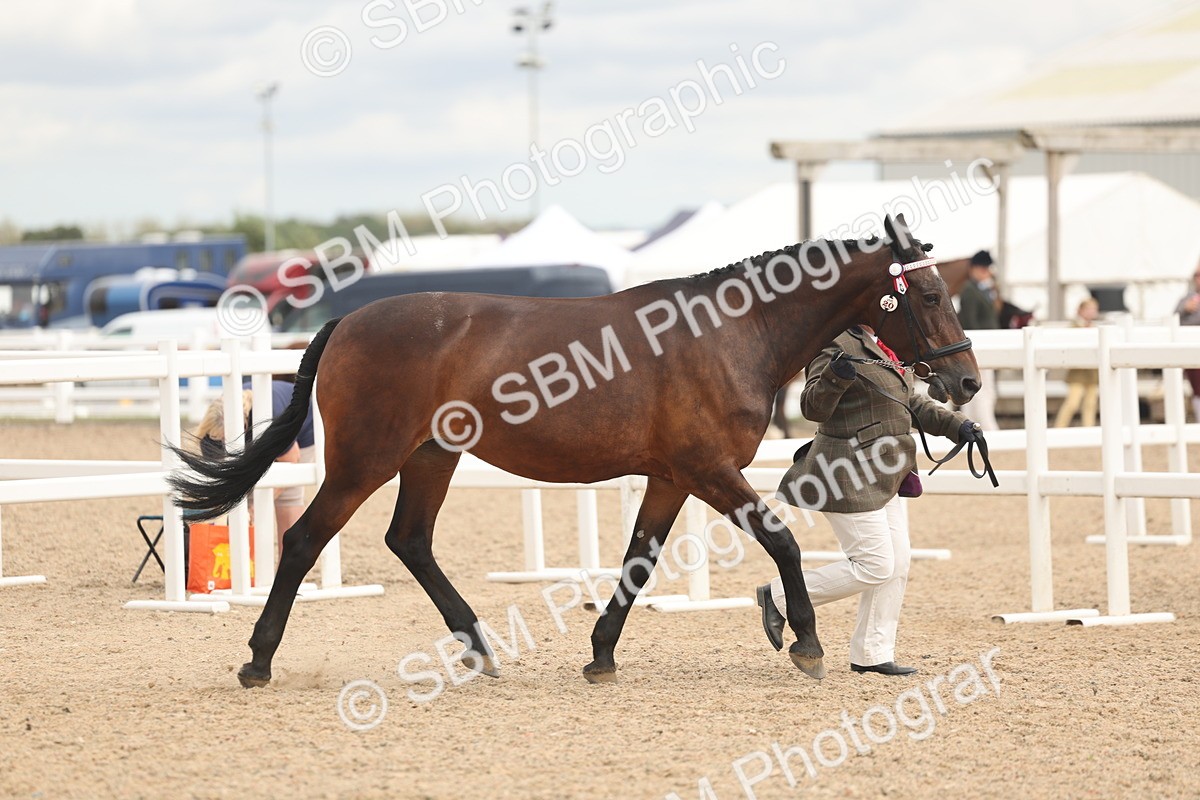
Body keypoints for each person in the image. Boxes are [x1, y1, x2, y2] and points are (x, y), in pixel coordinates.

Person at [755, 325, 984, 676]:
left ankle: (872, 653)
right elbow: (811, 407)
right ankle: (781, 597)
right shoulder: (829, 341)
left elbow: (908, 402)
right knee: (876, 564)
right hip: (845, 471)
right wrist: (835, 375)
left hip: (887, 471)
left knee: (899, 562)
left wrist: (958, 426)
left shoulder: (886, 341)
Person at [191, 382, 314, 555]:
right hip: (257, 434)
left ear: (244, 425)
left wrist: (256, 505)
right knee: (243, 503)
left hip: (301, 427)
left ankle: (286, 567)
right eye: (222, 439)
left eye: (228, 437)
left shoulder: (263, 418)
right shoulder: (210, 435)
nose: (225, 442)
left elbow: (292, 458)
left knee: (287, 497)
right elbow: (222, 481)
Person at [956, 250, 1001, 430]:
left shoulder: (985, 290)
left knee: (981, 387)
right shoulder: (969, 290)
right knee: (984, 387)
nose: (986, 273)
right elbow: (969, 321)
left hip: (987, 343)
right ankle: (987, 425)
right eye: (983, 269)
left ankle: (970, 422)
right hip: (979, 345)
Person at [1054, 298, 1100, 428]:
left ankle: (1088, 429)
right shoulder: (1074, 327)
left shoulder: (1095, 328)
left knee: (1090, 404)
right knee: (1072, 402)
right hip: (1078, 372)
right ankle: (1059, 428)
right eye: (1089, 309)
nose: (1092, 312)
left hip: (1091, 372)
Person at [1176, 260, 1200, 422]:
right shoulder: (1188, 299)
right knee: (1197, 388)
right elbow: (1173, 319)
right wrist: (1186, 309)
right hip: (1193, 346)